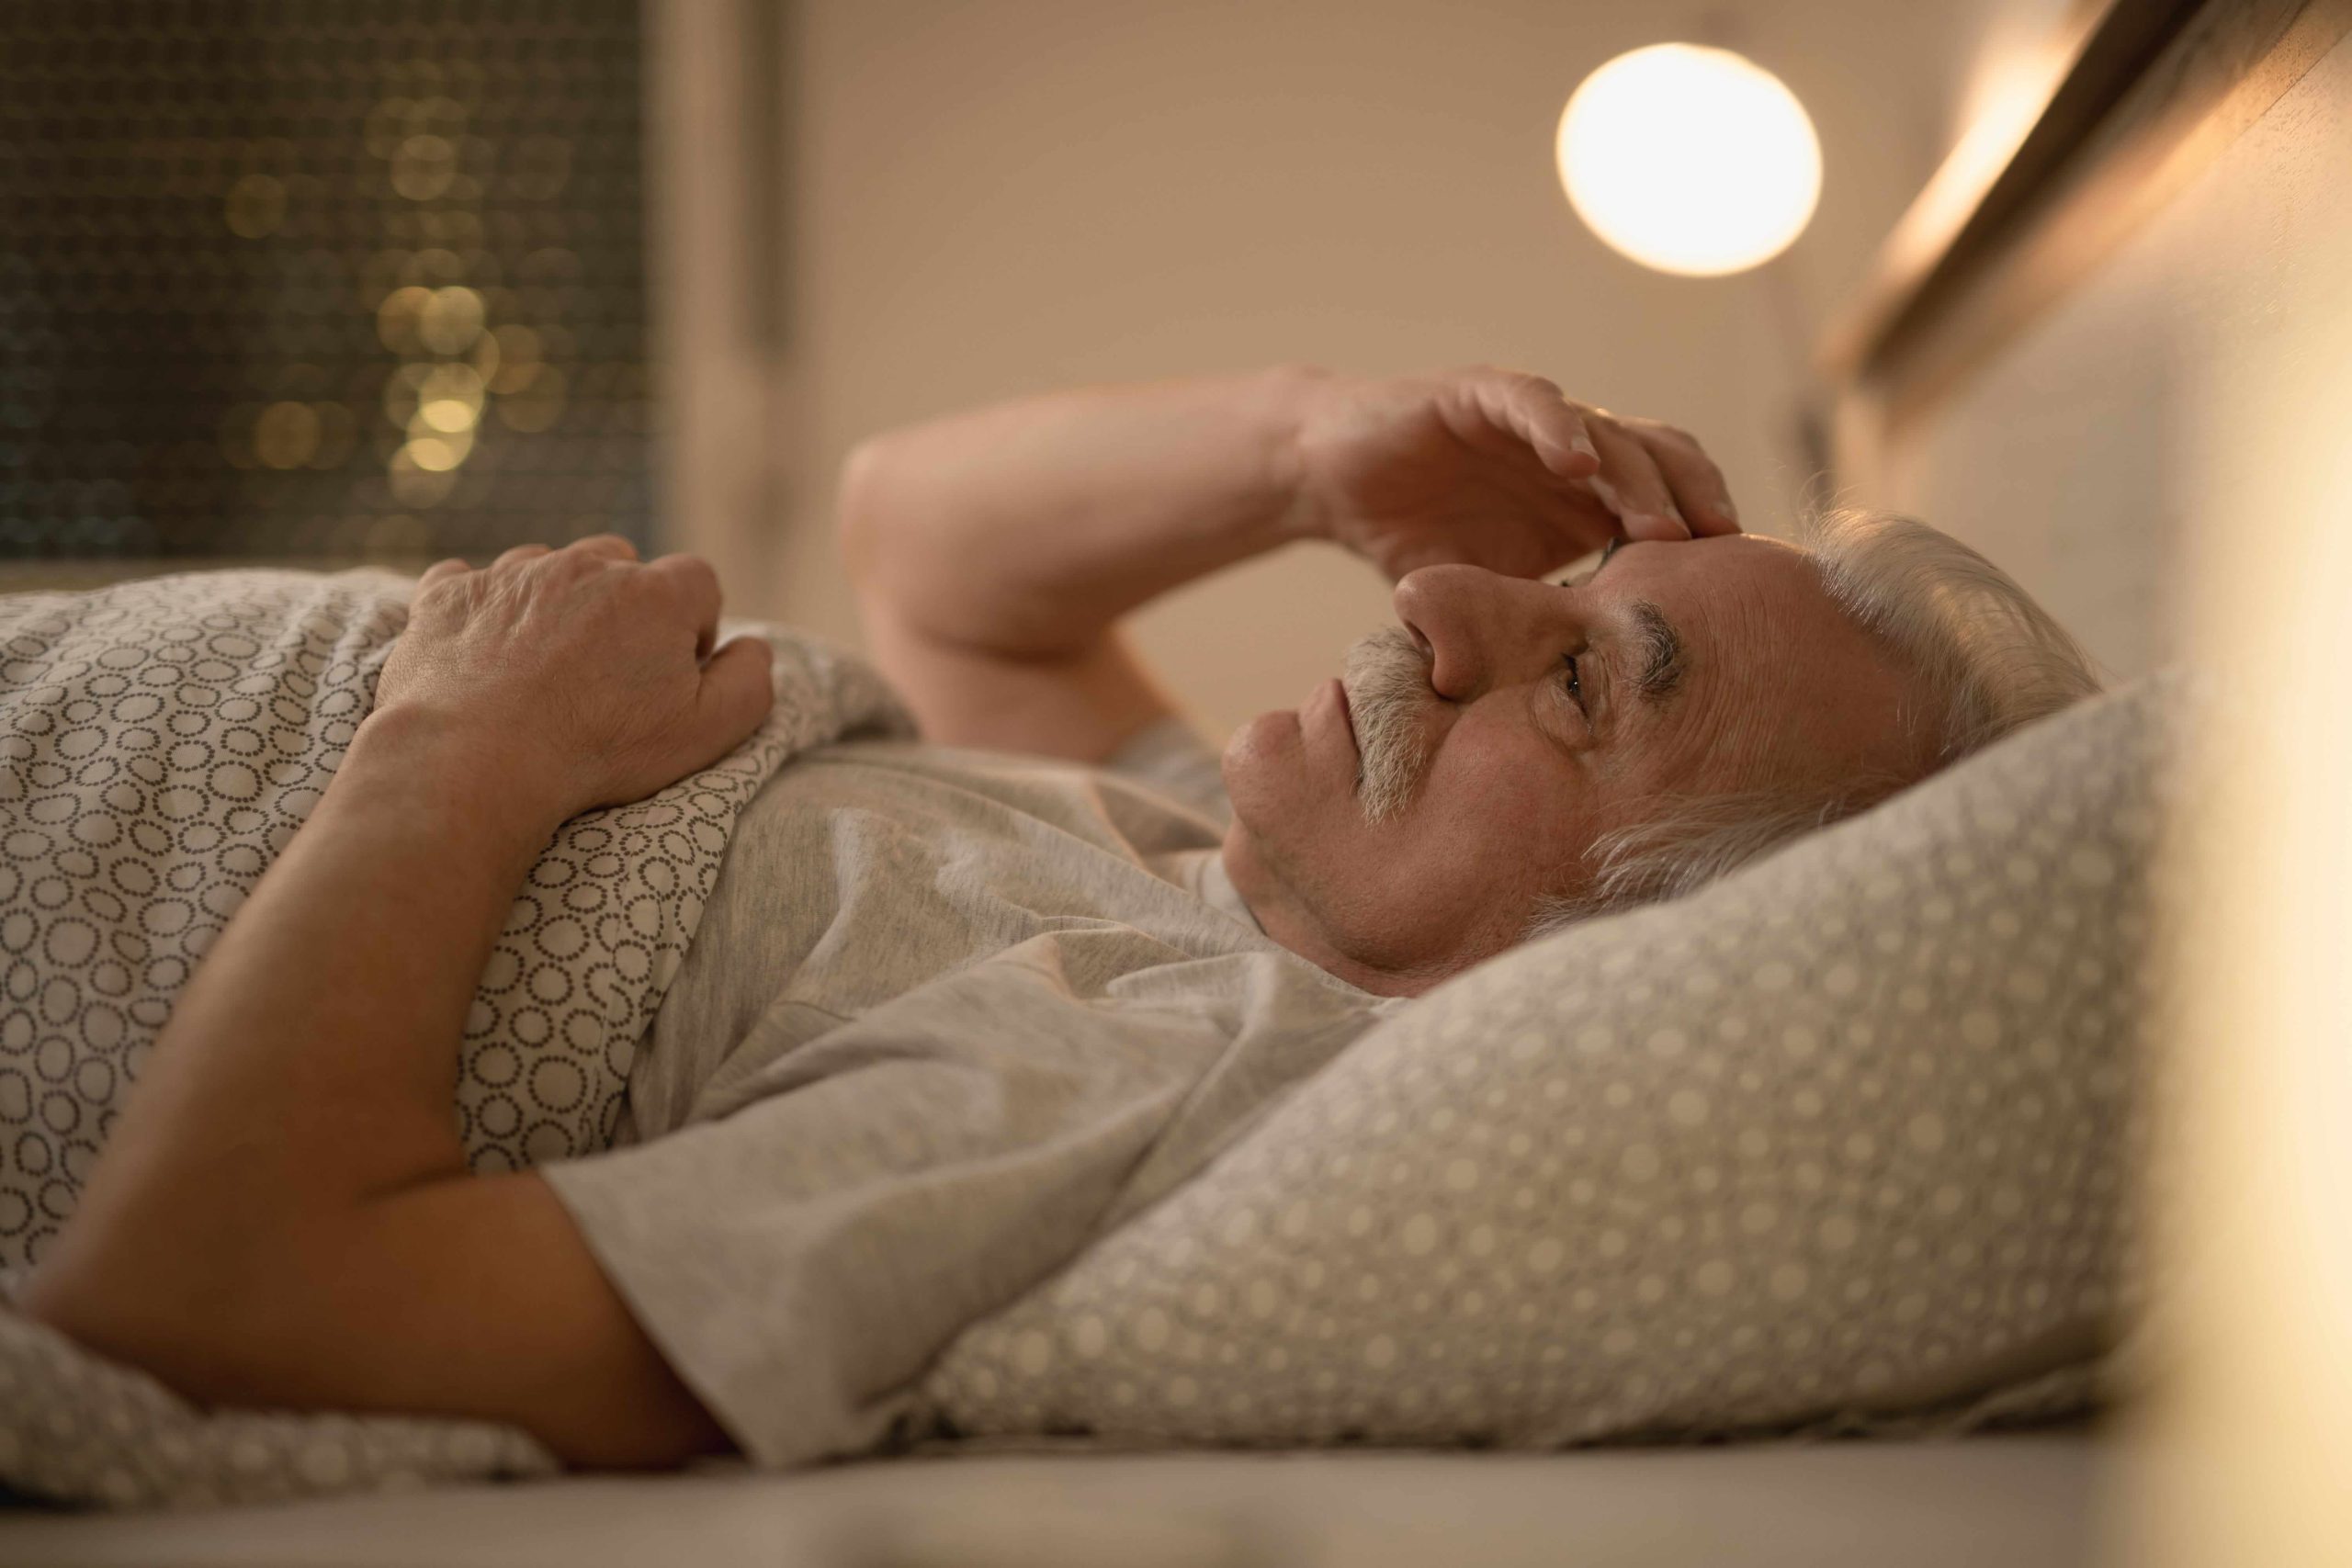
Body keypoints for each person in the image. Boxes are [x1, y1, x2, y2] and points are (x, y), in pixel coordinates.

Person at [16, 366, 2098, 1474]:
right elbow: (926, 542)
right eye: (1541, 595)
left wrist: (449, 748)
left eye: (1575, 679)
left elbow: (214, 1290)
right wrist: (1307, 449)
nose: (1435, 607)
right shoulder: (1189, 860)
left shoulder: (1140, 1057)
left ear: (1622, 964)